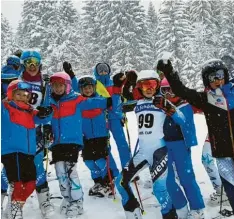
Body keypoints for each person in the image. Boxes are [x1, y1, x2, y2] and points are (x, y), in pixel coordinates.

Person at [157, 58, 234, 213]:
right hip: (223, 156)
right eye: (212, 77)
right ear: (207, 80)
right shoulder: (205, 99)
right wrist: (169, 73)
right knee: (232, 194)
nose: (217, 80)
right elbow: (181, 91)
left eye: (219, 75)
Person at [115, 70, 182, 219]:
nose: (149, 88)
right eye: (145, 85)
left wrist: (169, 107)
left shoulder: (161, 101)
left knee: (159, 190)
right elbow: (119, 107)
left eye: (152, 84)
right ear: (139, 87)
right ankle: (133, 213)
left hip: (159, 151)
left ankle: (170, 216)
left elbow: (182, 119)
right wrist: (127, 84)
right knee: (120, 182)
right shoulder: (138, 103)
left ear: (157, 85)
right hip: (143, 152)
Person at [48, 72, 112, 217]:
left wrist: (115, 94)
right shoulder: (50, 102)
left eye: (61, 85)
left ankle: (77, 201)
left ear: (67, 86)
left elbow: (100, 102)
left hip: (71, 142)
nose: (58, 88)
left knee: (71, 172)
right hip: (57, 143)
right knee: (60, 173)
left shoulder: (76, 99)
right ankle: (67, 198)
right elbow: (41, 115)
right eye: (55, 86)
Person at [1, 80, 52, 219]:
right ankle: (15, 212)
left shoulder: (30, 111)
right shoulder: (5, 109)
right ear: (11, 94)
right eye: (19, 94)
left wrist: (47, 112)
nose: (23, 97)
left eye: (25, 95)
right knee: (17, 184)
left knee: (30, 184)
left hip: (28, 153)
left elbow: (45, 118)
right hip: (13, 152)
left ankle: (13, 207)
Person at [160, 78, 205, 219]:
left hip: (180, 144)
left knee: (186, 177)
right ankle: (180, 204)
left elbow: (186, 124)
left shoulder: (184, 105)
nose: (168, 93)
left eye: (170, 89)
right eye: (164, 90)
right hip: (164, 145)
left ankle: (197, 207)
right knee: (168, 178)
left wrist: (171, 111)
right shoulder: (160, 105)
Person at [19, 50, 54, 218]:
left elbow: (48, 106)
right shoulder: (18, 82)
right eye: (28, 62)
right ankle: (14, 201)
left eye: (35, 62)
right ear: (23, 64)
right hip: (20, 130)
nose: (32, 66)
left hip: (37, 131)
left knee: (38, 165)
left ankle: (44, 200)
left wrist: (47, 123)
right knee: (16, 166)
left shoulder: (44, 83)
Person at [77, 75, 119, 198]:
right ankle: (98, 182)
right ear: (80, 90)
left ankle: (108, 182)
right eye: (85, 88)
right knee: (89, 161)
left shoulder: (102, 100)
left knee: (101, 160)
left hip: (101, 137)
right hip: (86, 137)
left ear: (94, 88)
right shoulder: (78, 103)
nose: (88, 90)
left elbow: (115, 104)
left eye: (90, 88)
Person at [93, 63, 131, 169]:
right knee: (105, 146)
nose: (103, 73)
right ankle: (111, 170)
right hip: (101, 119)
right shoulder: (94, 85)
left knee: (122, 143)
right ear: (97, 73)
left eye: (105, 71)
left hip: (115, 117)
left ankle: (128, 167)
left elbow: (122, 99)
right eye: (101, 71)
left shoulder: (114, 84)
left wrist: (123, 108)